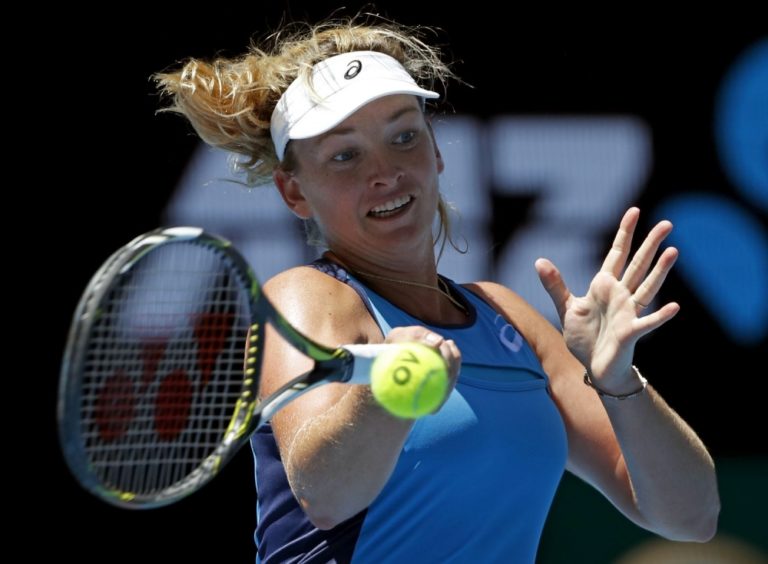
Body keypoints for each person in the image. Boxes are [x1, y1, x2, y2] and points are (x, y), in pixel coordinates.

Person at [155, 16, 720, 563]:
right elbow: (324, 496)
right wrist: (386, 394)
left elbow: (692, 518)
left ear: (436, 151)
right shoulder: (307, 298)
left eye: (404, 137)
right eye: (345, 155)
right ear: (293, 193)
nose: (385, 172)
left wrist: (619, 383)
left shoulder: (510, 319)